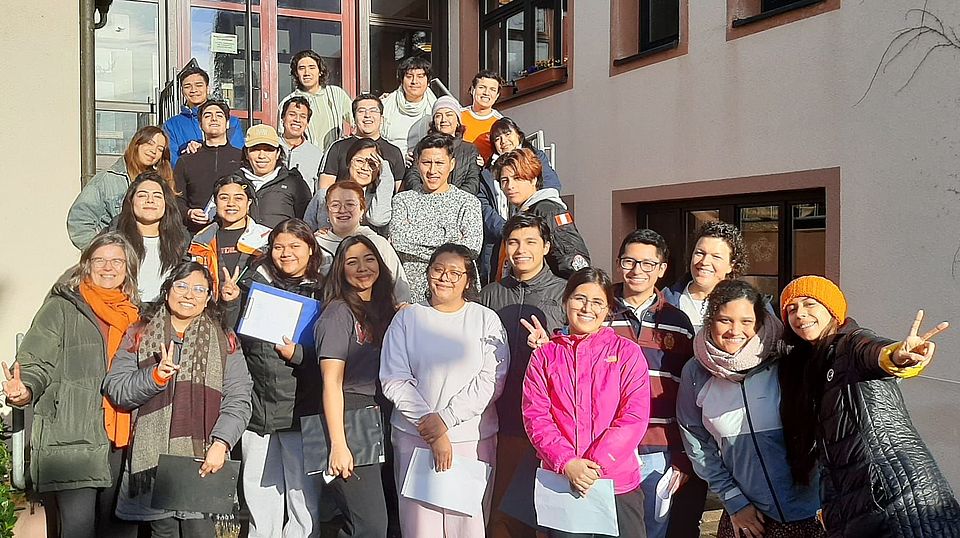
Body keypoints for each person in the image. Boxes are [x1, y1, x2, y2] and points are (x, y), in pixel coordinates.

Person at [778, 275, 960, 537]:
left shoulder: (850, 343)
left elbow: (875, 353)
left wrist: (899, 356)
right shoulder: (811, 364)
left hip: (897, 497)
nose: (800, 314)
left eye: (810, 304)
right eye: (792, 309)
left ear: (832, 310)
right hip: (856, 503)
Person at [3, 232, 141, 538]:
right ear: (86, 265)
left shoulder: (136, 315)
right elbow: (35, 362)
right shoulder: (61, 308)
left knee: (119, 532)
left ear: (128, 268)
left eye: (117, 261)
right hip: (72, 438)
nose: (108, 267)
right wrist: (24, 390)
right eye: (100, 260)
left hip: (122, 441)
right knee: (77, 530)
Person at [101, 261, 253, 536]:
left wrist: (222, 442)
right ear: (167, 289)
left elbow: (239, 397)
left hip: (204, 457)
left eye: (199, 289)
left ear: (208, 297)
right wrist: (154, 377)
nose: (189, 295)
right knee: (163, 532)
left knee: (200, 531)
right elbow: (117, 388)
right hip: (153, 463)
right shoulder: (140, 333)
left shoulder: (224, 338)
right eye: (181, 286)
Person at [380, 243, 510, 538]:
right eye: (438, 270)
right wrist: (431, 427)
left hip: (470, 439)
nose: (444, 278)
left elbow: (492, 379)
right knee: (419, 526)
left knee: (467, 526)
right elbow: (394, 377)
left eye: (454, 272)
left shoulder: (485, 319)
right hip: (414, 437)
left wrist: (447, 419)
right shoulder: (407, 318)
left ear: (468, 280)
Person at [676, 280, 823, 538]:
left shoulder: (788, 357)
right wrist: (733, 500)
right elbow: (697, 443)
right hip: (747, 517)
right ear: (709, 320)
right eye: (725, 320)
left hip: (811, 513)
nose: (735, 330)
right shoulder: (695, 372)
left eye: (747, 321)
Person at [522, 267, 650, 538]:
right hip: (563, 480)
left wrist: (595, 464)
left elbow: (634, 416)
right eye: (579, 298)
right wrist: (567, 462)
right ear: (565, 301)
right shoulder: (544, 356)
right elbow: (536, 416)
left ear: (608, 309)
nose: (587, 308)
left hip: (616, 483)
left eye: (597, 302)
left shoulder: (627, 353)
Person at [221, 218, 326, 538]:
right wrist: (230, 303)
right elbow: (230, 339)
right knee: (258, 489)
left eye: (295, 246)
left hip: (304, 408)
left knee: (303, 492)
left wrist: (299, 354)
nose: (286, 253)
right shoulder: (252, 283)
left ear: (311, 249)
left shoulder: (326, 289)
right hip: (258, 405)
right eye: (279, 246)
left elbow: (335, 352)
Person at [608, 229, 706, 538]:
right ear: (619, 263)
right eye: (629, 261)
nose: (637, 270)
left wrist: (683, 456)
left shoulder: (677, 322)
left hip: (658, 450)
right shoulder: (599, 312)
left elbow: (689, 395)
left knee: (651, 532)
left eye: (648, 264)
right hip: (606, 447)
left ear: (661, 269)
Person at [479, 214, 565, 538]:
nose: (520, 250)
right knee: (501, 515)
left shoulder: (565, 294)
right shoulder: (490, 295)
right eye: (513, 242)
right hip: (499, 421)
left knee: (545, 516)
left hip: (550, 424)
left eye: (530, 242)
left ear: (546, 246)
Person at [315, 234, 400, 538]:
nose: (362, 268)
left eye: (369, 259)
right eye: (352, 262)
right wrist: (339, 445)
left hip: (387, 414)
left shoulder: (387, 310)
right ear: (340, 270)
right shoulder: (338, 313)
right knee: (369, 525)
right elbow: (331, 382)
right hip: (352, 417)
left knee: (392, 521)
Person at [389, 133, 483, 303]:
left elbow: (471, 248)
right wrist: (451, 239)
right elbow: (399, 240)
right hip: (412, 294)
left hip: (457, 294)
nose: (432, 171)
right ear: (417, 163)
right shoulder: (403, 200)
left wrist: (416, 239)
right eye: (426, 163)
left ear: (451, 164)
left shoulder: (468, 202)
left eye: (439, 163)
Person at [478, 117, 560, 281]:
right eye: (497, 138)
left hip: (532, 230)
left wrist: (527, 221)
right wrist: (505, 229)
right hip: (498, 240)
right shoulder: (487, 171)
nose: (503, 141)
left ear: (518, 135)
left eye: (507, 134)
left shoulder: (536, 157)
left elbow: (551, 185)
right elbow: (483, 203)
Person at [68, 125, 174, 249]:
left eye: (160, 149)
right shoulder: (107, 180)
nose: (153, 151)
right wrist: (101, 251)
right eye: (149, 143)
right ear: (137, 143)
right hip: (119, 256)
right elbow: (79, 220)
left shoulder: (161, 184)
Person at [492, 148, 589, 280]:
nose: (510, 186)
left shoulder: (549, 211)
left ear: (533, 179)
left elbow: (573, 262)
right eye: (504, 180)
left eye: (517, 178)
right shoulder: (523, 211)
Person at [311, 181, 410, 301]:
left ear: (362, 209)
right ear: (327, 210)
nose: (342, 210)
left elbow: (399, 288)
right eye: (335, 205)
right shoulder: (315, 245)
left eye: (350, 204)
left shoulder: (378, 243)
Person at [187, 174, 271, 300]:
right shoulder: (200, 241)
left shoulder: (266, 238)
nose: (231, 203)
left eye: (238, 198)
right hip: (211, 309)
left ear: (248, 203)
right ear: (215, 202)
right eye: (224, 198)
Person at [113, 171, 191, 302]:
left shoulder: (182, 240)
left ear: (166, 203)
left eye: (157, 196)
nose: (150, 200)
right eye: (142, 195)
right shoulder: (113, 239)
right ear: (131, 201)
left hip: (166, 312)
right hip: (122, 309)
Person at [663, 221, 748, 334]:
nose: (704, 262)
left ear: (731, 265)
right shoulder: (663, 302)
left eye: (716, 257)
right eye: (700, 253)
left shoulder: (749, 305)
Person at [173, 99, 244, 233]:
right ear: (200, 124)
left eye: (219, 115)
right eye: (207, 115)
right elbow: (177, 198)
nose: (214, 119)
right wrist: (188, 213)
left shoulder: (242, 159)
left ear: (227, 123)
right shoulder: (186, 160)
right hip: (195, 232)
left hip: (236, 232)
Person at [317, 93, 406, 193]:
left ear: (381, 118)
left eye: (373, 111)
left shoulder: (394, 151)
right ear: (354, 118)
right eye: (361, 111)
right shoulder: (337, 147)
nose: (367, 115)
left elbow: (400, 193)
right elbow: (325, 190)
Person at [305, 137, 395, 233]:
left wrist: (386, 173)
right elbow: (304, 232)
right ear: (349, 162)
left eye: (372, 164)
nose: (365, 168)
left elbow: (377, 219)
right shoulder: (323, 196)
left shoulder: (378, 199)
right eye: (360, 161)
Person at [163, 63, 244, 166]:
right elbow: (174, 162)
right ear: (182, 91)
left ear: (207, 88)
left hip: (226, 175)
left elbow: (237, 157)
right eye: (187, 86)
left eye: (199, 85)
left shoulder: (231, 122)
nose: (193, 90)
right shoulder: (172, 125)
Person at [403, 95, 481, 195]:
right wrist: (425, 196)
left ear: (458, 121)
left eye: (449, 115)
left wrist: (451, 199)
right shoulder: (423, 146)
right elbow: (412, 176)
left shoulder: (469, 149)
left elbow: (473, 181)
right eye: (438, 115)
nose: (444, 119)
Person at [278, 50, 353, 154]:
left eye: (311, 67)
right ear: (296, 73)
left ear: (320, 71)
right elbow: (282, 137)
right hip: (304, 157)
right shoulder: (288, 102)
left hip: (333, 158)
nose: (306, 73)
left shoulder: (336, 94)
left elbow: (356, 120)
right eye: (301, 68)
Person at [240, 124, 312, 228]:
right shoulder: (235, 182)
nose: (261, 156)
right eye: (255, 149)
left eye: (268, 150)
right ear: (246, 154)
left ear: (278, 153)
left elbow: (306, 223)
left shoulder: (294, 183)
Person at [381, 56, 437, 157]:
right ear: (401, 80)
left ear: (428, 81)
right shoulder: (385, 106)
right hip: (391, 161)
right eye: (409, 76)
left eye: (420, 76)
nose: (414, 81)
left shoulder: (436, 109)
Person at [279, 96, 324, 193]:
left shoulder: (316, 154)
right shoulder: (271, 148)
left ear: (307, 123)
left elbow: (319, 192)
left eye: (303, 116)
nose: (297, 120)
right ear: (283, 118)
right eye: (292, 114)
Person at [460, 70, 504, 164]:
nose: (486, 93)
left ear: (497, 95)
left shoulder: (500, 123)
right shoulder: (458, 116)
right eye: (482, 87)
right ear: (472, 90)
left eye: (492, 90)